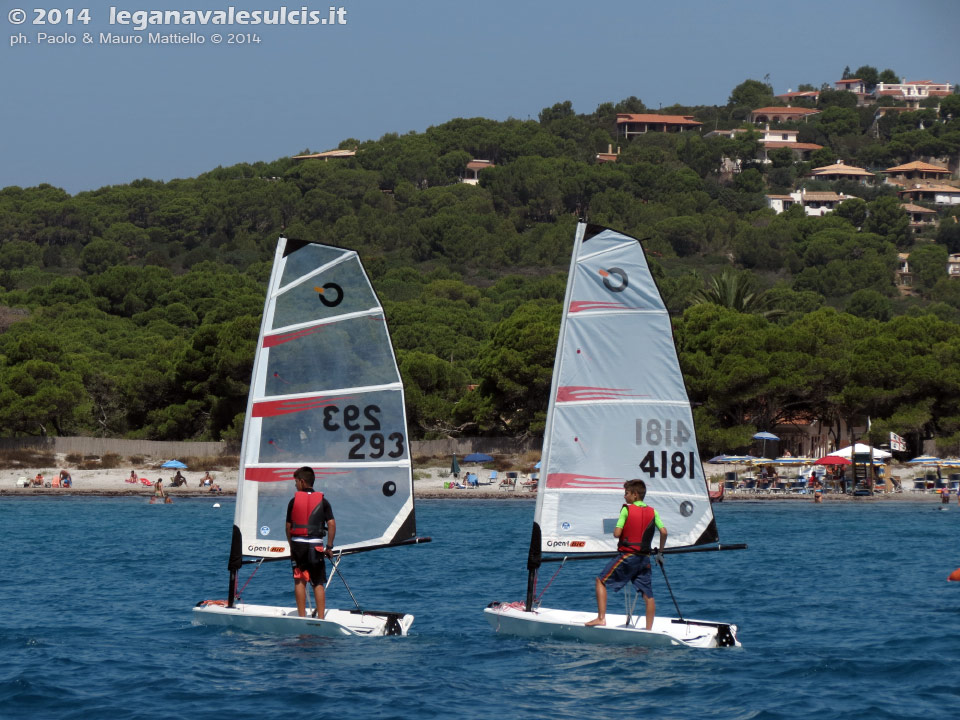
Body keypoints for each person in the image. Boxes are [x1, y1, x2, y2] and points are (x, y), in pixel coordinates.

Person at [585, 479, 667, 631]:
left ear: (635, 495)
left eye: (626, 493)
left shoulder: (626, 510)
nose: (624, 496)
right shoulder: (653, 511)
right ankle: (649, 630)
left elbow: (617, 533)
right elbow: (664, 532)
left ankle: (601, 618)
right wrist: (660, 553)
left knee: (600, 581)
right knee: (648, 595)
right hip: (644, 558)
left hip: (629, 556)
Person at [285, 466, 336, 618]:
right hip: (316, 546)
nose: (295, 485)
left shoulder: (293, 501)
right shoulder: (323, 501)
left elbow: (288, 527)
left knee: (300, 580)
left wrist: (292, 546)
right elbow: (332, 525)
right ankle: (320, 618)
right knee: (317, 582)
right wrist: (329, 547)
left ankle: (302, 617)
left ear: (302, 481)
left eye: (296, 482)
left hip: (298, 545)